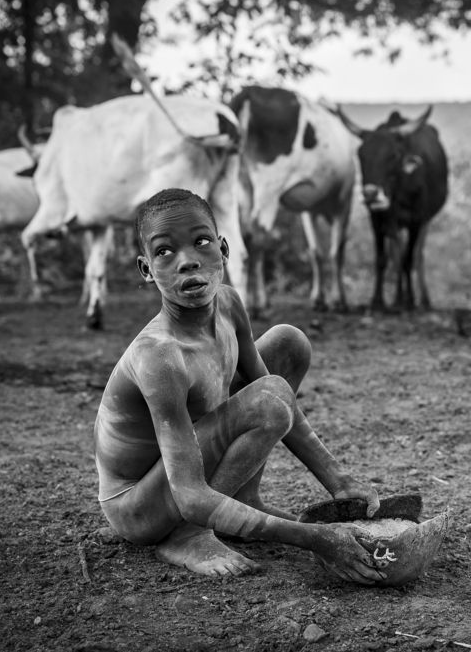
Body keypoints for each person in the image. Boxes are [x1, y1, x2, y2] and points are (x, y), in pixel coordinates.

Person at [93, 187, 384, 583]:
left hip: (188, 470)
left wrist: (340, 482)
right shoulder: (160, 357)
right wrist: (315, 537)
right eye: (165, 252)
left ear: (223, 249)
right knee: (270, 397)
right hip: (142, 504)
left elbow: (275, 394)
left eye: (201, 242)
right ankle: (187, 535)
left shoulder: (228, 304)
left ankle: (240, 502)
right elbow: (191, 494)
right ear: (146, 270)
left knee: (287, 344)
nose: (188, 261)